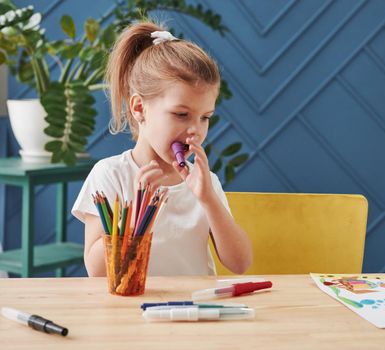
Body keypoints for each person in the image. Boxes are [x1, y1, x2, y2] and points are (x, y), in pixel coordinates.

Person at [72, 21, 252, 276]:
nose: (195, 130)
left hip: (196, 311)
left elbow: (240, 263)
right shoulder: (110, 175)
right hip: (131, 311)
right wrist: (137, 212)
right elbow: (97, 272)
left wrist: (208, 199)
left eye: (205, 117)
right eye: (181, 114)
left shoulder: (205, 183)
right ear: (139, 108)